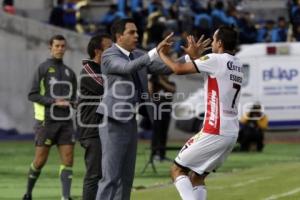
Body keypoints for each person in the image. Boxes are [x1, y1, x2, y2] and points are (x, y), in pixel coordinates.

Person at [95, 18, 176, 200]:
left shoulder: (139, 54)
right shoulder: (109, 55)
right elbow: (127, 67)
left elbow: (167, 68)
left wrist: (191, 57)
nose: (137, 35)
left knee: (126, 178)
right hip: (112, 120)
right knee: (110, 177)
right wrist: (155, 51)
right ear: (119, 36)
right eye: (131, 32)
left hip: (130, 120)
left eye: (137, 32)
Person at [158, 26, 242, 200]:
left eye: (213, 39)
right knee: (197, 176)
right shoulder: (237, 63)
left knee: (177, 169)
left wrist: (161, 54)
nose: (211, 43)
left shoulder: (215, 59)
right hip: (231, 131)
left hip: (215, 128)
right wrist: (195, 56)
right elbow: (213, 71)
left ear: (219, 42)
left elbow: (178, 69)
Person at [23, 35, 77, 200]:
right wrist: (54, 102)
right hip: (46, 122)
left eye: (63, 46)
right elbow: (32, 95)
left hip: (66, 123)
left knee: (68, 159)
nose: (60, 49)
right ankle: (28, 193)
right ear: (50, 47)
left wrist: (75, 103)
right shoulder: (43, 68)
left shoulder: (70, 72)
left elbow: (73, 98)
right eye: (57, 46)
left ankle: (65, 197)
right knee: (39, 161)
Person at [77, 34, 112, 200]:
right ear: (98, 51)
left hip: (104, 128)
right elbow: (108, 89)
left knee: (107, 174)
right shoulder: (88, 70)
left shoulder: (104, 69)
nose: (113, 51)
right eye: (109, 48)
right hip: (91, 129)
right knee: (94, 174)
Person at [149, 74, 176, 161]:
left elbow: (172, 89)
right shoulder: (155, 83)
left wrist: (162, 82)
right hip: (156, 109)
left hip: (166, 110)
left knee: (164, 133)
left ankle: (162, 154)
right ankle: (154, 154)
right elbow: (149, 92)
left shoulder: (171, 83)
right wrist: (151, 81)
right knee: (156, 132)